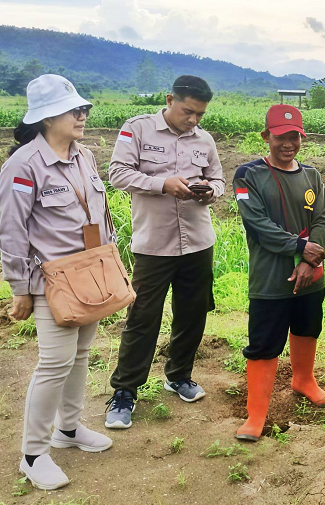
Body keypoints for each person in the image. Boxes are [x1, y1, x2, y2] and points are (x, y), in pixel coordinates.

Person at [0, 74, 114, 490]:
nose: (83, 116)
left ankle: (68, 428)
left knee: (80, 355)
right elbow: (11, 230)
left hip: (91, 274)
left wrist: (109, 262)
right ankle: (33, 454)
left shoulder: (84, 156)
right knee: (53, 364)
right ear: (47, 118)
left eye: (84, 109)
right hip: (53, 280)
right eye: (74, 110)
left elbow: (99, 215)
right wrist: (20, 288)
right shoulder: (24, 164)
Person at [104, 75, 224, 429]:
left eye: (200, 114)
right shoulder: (138, 129)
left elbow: (219, 180)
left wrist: (210, 191)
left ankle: (179, 375)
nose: (193, 120)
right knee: (143, 317)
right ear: (170, 100)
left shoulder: (204, 140)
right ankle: (125, 391)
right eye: (188, 111)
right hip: (154, 244)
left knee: (192, 313)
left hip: (198, 242)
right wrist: (162, 184)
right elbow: (117, 174)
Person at [233, 105, 325, 441]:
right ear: (266, 136)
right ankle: (256, 414)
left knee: (307, 327)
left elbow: (322, 220)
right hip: (270, 278)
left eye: (294, 137)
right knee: (264, 343)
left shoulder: (312, 176)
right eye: (280, 137)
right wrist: (300, 247)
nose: (288, 144)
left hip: (310, 275)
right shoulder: (248, 175)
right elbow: (258, 224)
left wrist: (309, 260)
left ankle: (304, 380)